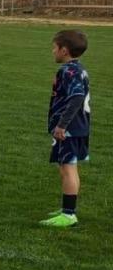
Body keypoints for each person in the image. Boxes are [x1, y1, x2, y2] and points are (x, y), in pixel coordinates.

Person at [40, 30, 91, 228]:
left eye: (55, 47)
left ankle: (69, 216)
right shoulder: (78, 69)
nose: (53, 51)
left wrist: (62, 125)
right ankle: (67, 210)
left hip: (69, 129)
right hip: (78, 127)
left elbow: (77, 97)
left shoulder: (68, 71)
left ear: (64, 50)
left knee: (68, 169)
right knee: (68, 168)